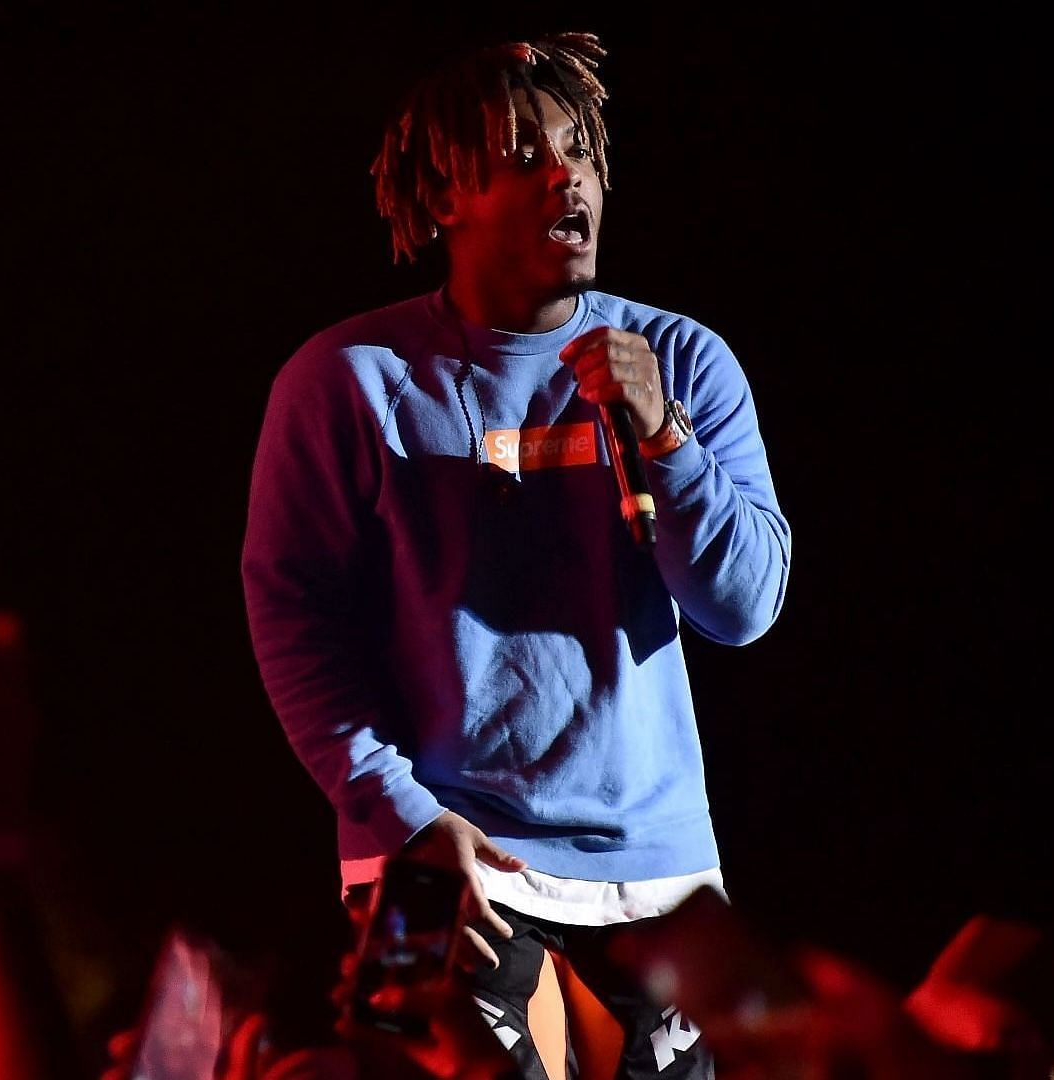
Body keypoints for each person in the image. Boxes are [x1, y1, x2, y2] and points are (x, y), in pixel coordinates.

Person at [240, 30, 791, 1080]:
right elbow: (290, 619)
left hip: (659, 870)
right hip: (427, 854)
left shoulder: (682, 360)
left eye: (582, 152)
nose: (568, 175)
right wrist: (401, 815)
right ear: (446, 196)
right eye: (528, 154)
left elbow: (746, 603)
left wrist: (663, 433)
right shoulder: (343, 380)